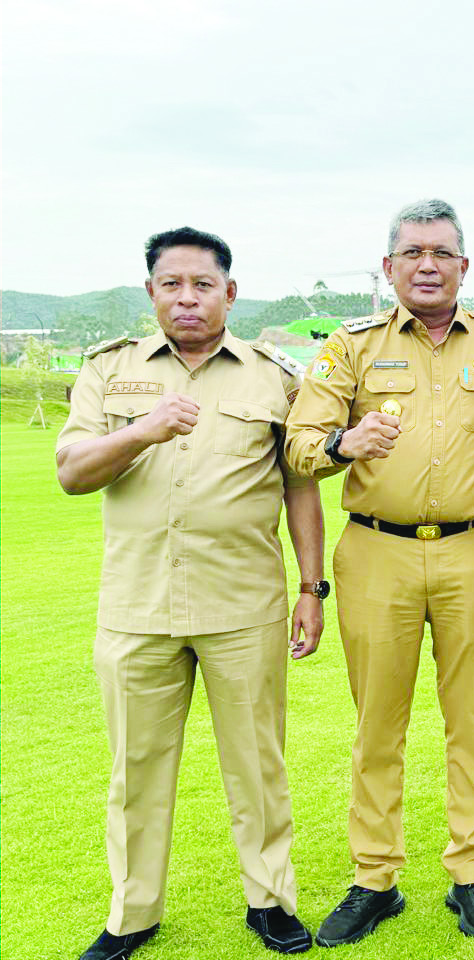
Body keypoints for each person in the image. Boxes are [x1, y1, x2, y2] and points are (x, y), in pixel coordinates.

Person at [57, 227, 325, 959]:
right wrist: (141, 430)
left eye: (202, 284)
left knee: (258, 765)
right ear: (151, 293)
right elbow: (73, 472)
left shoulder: (273, 375)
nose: (186, 297)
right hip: (137, 608)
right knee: (135, 770)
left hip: (244, 606)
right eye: (171, 283)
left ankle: (269, 901)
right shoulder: (108, 371)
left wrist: (312, 587)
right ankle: (132, 914)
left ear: (229, 293)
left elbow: (301, 484)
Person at [284, 199, 474, 945]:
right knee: (378, 725)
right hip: (375, 552)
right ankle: (375, 879)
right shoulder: (350, 345)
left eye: (442, 252)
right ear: (389, 267)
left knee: (472, 721)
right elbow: (299, 446)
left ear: (465, 267)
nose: (427, 265)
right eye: (412, 253)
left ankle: (472, 873)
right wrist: (346, 440)